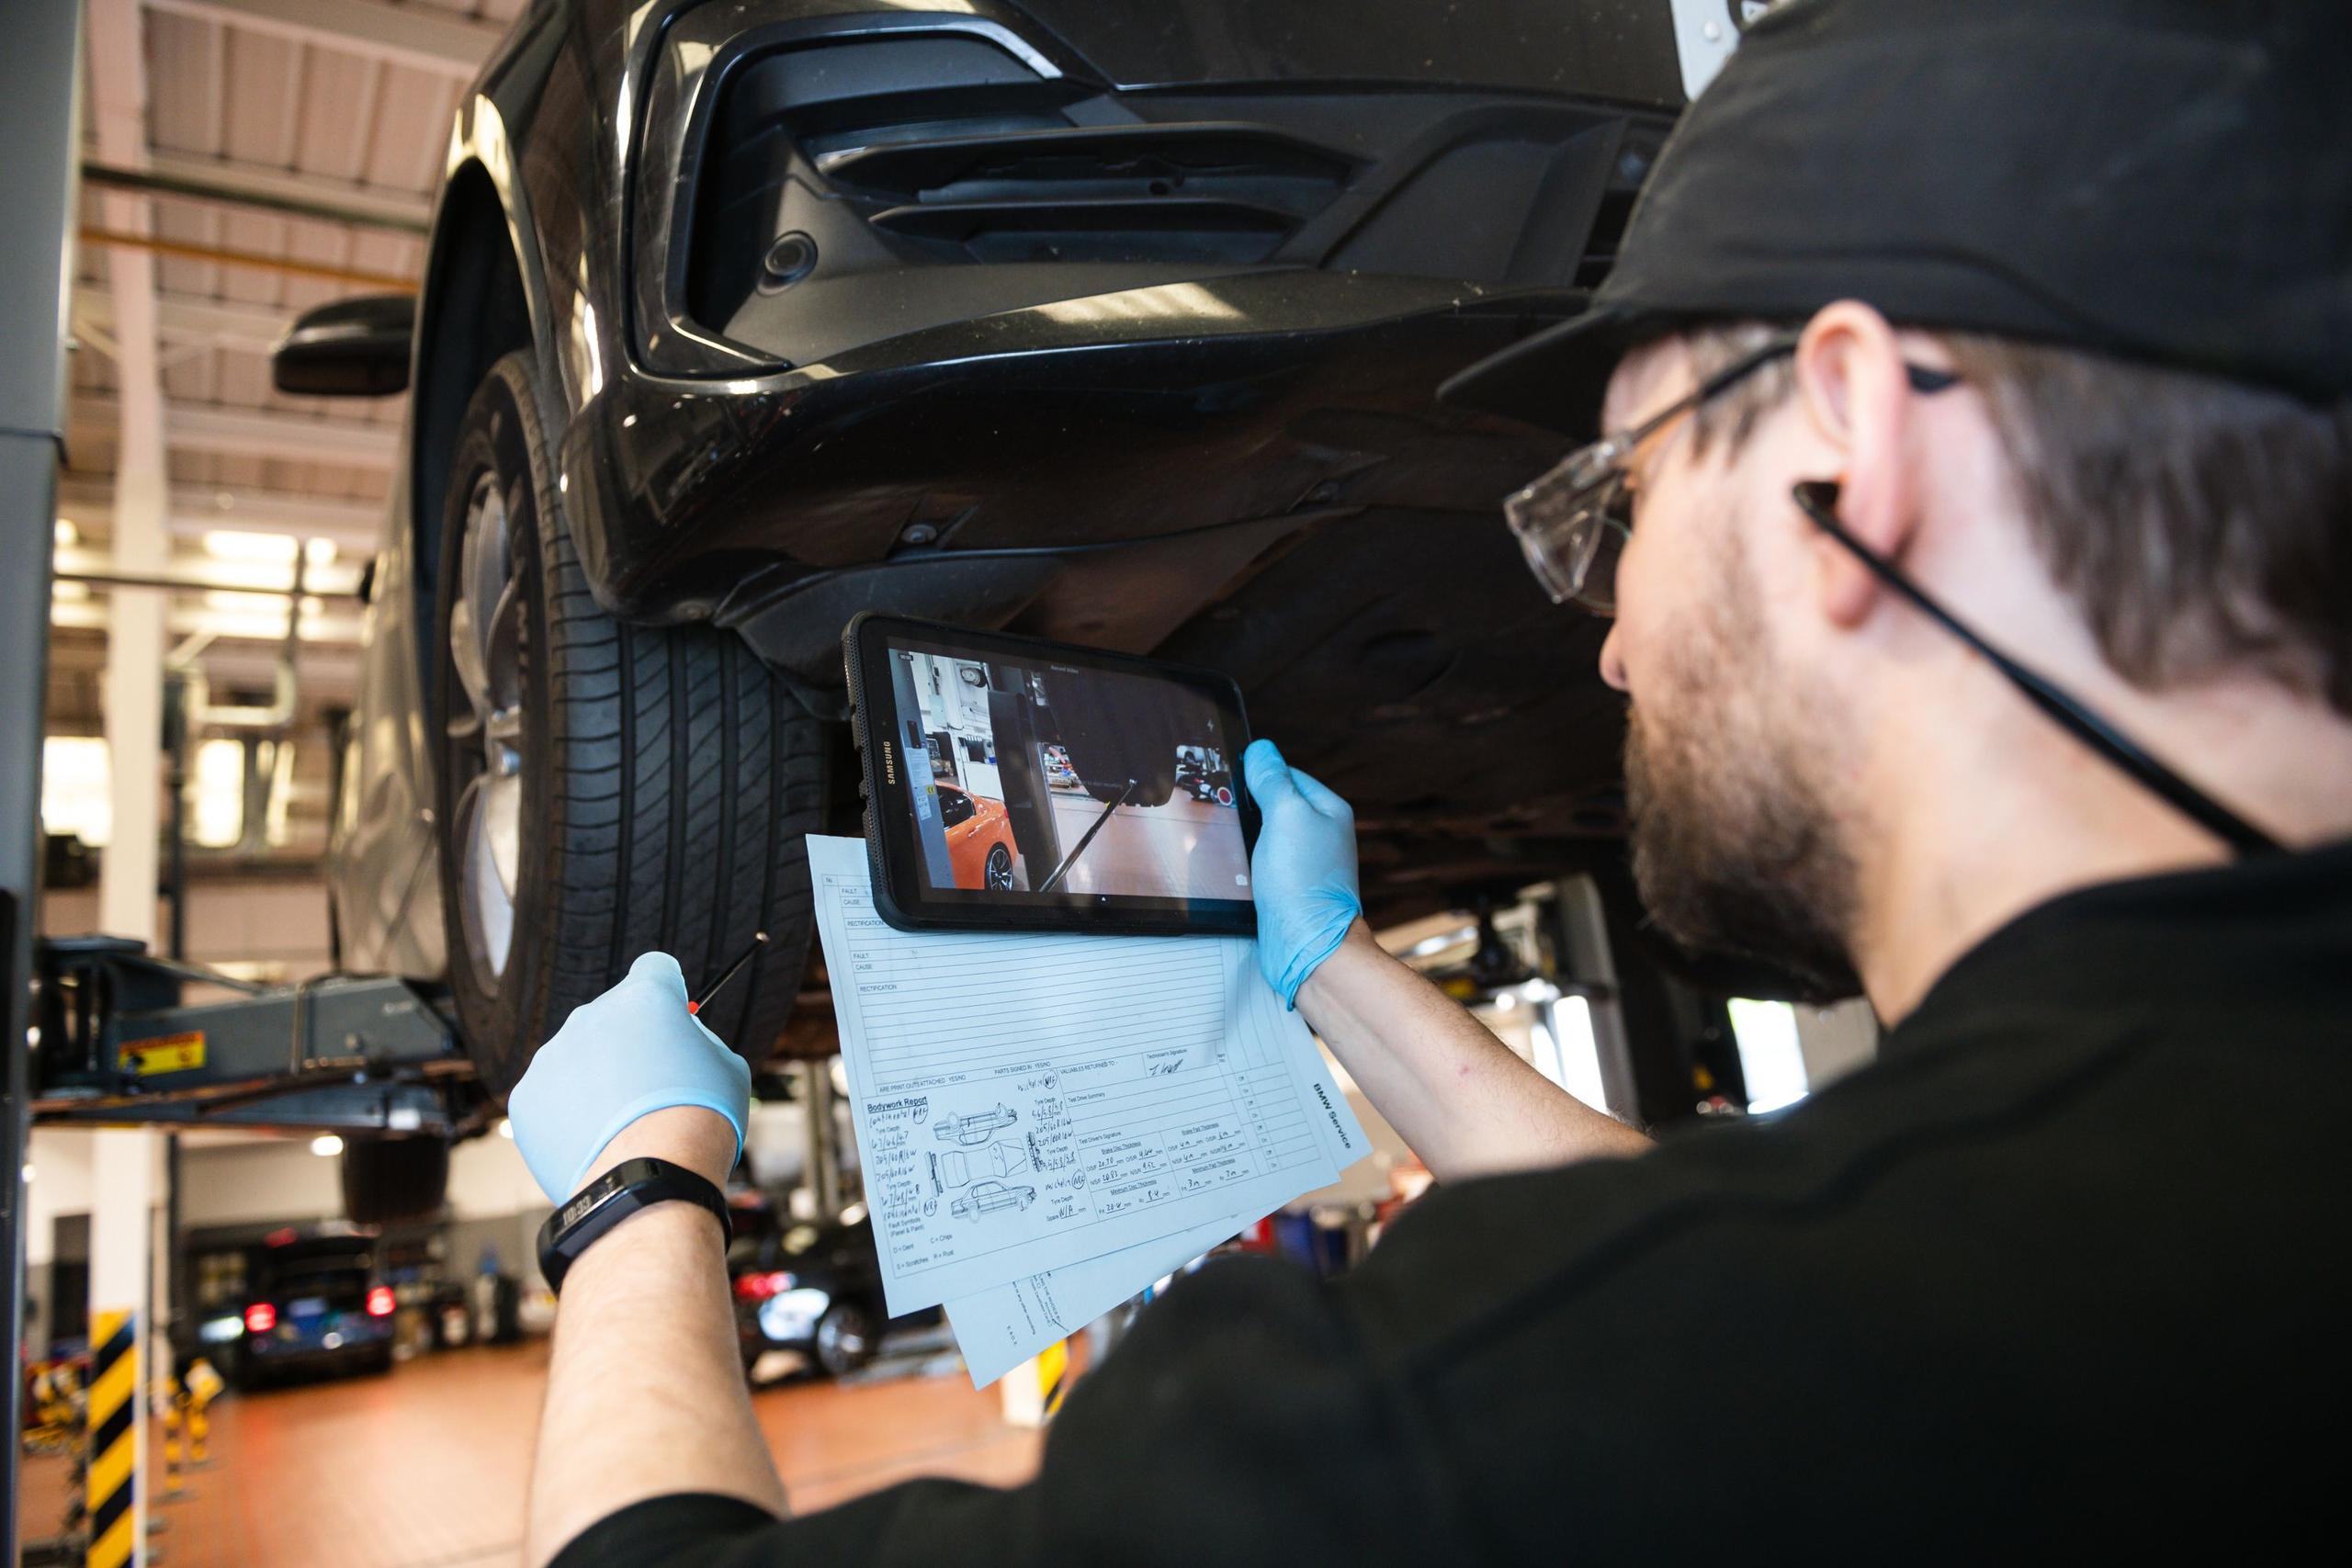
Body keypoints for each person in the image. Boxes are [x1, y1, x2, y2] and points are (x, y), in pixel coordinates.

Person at [506, 2, 2352, 1562]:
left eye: (1616, 499)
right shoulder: (2039, 1271)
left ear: (1847, 447)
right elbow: (1749, 1276)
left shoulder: (1518, 1414)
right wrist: (1338, 973)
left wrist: (632, 1193)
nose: (1612, 639)